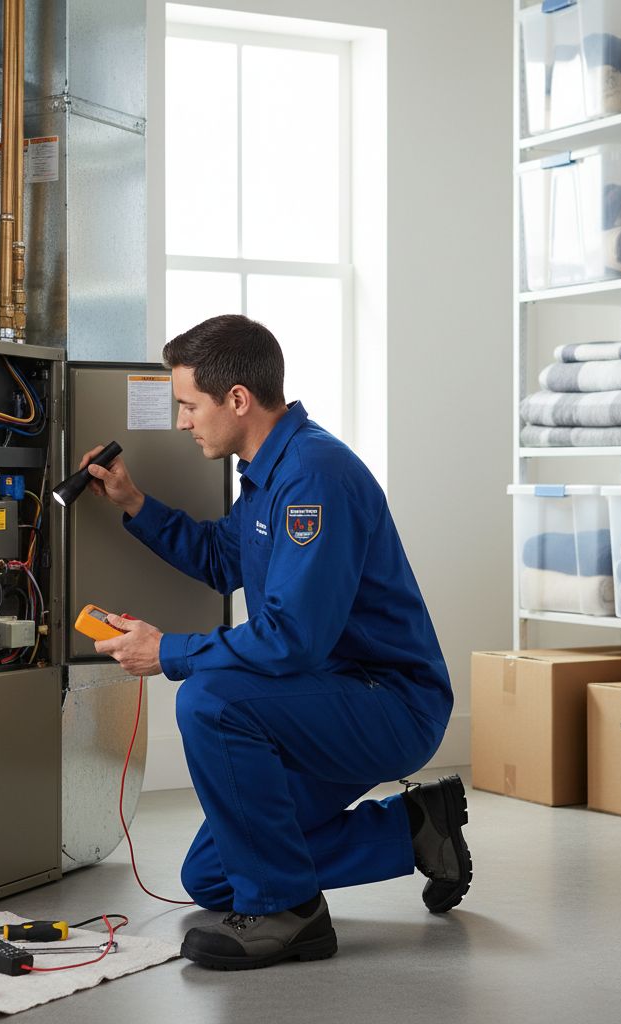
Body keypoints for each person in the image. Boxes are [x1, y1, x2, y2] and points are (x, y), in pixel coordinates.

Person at [79, 314, 470, 971]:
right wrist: (132, 500)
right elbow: (220, 557)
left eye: (189, 405)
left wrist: (167, 653)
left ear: (237, 399)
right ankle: (414, 829)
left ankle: (290, 914)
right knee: (212, 875)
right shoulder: (268, 471)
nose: (182, 421)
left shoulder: (315, 477)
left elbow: (292, 639)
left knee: (208, 699)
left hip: (389, 704)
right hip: (322, 699)